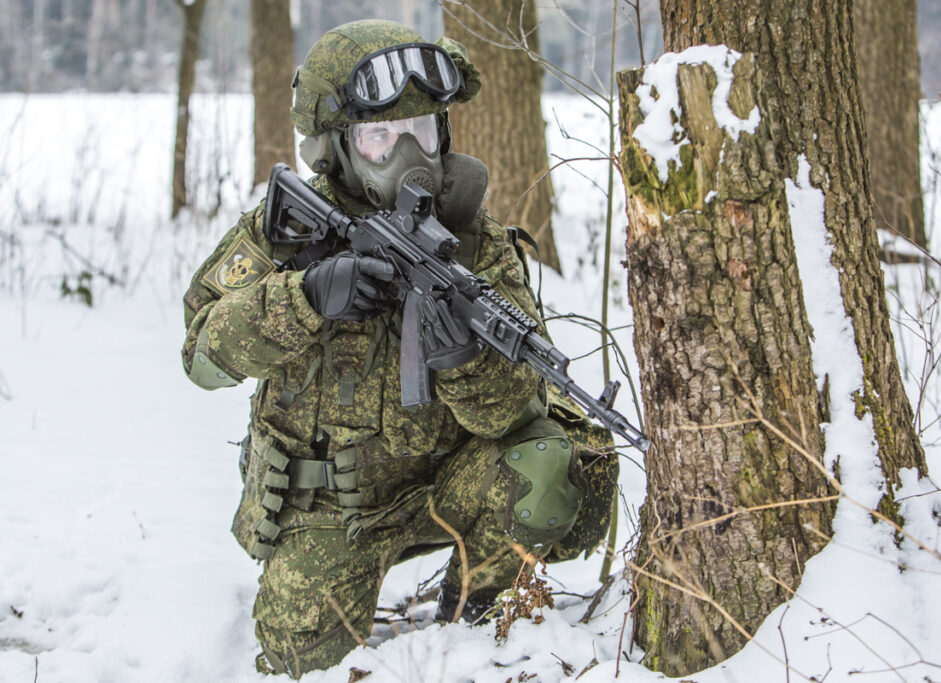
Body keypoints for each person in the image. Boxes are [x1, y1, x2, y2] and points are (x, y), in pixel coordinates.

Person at [180, 19, 616, 677]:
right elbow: (203, 358)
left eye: (420, 134)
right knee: (297, 662)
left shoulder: (472, 243)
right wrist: (305, 299)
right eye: (380, 137)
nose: (406, 156)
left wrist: (466, 364)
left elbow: (520, 412)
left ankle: (472, 621)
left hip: (444, 485)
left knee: (550, 462)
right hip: (333, 505)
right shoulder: (289, 231)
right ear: (337, 148)